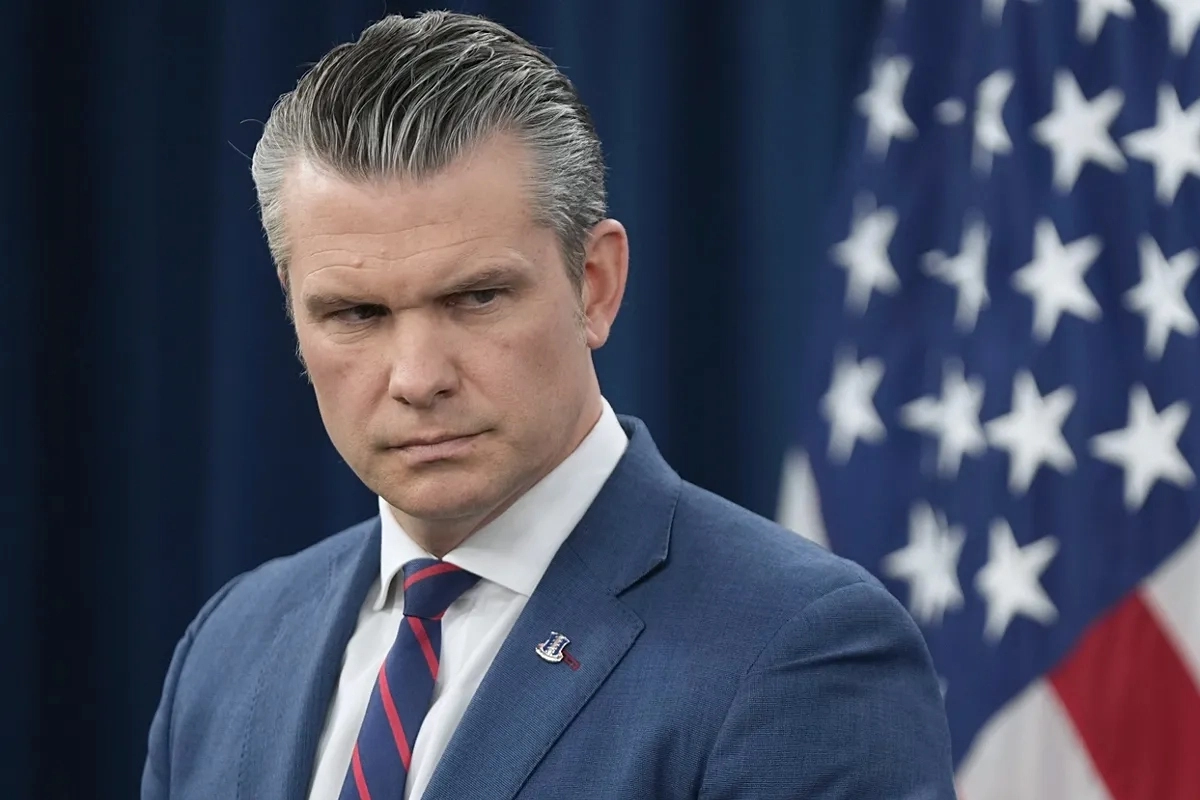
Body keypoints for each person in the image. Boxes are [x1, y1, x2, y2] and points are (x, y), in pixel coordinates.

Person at [141, 10, 956, 800]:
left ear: (594, 285)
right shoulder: (229, 647)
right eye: (356, 314)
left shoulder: (800, 648)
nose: (417, 377)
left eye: (477, 297)